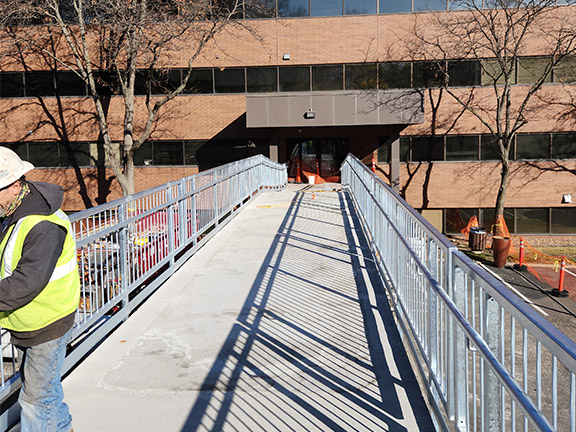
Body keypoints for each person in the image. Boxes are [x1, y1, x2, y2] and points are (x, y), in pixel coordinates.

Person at [0, 147, 79, 432]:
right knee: (46, 390)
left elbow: (26, 283)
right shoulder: (14, 211)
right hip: (31, 320)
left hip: (47, 323)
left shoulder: (42, 225)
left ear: (14, 186)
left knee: (35, 400)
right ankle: (64, 427)